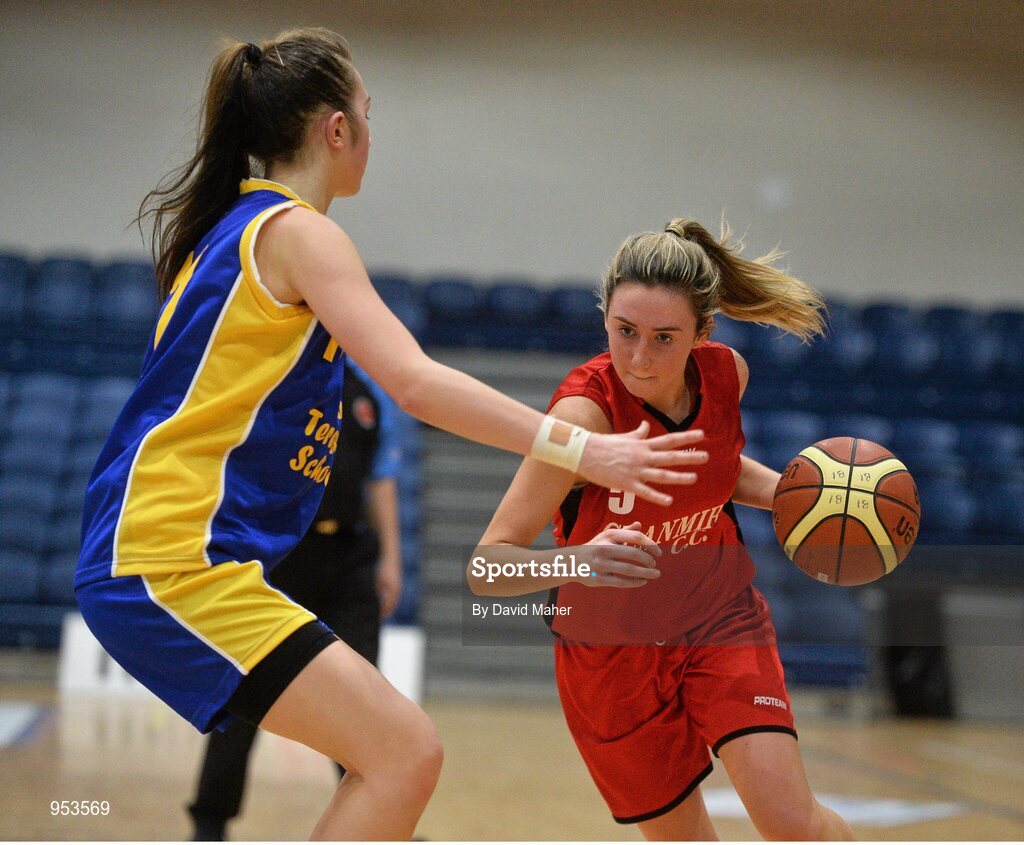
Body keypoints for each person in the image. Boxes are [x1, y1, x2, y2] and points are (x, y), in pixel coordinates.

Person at [73, 28, 707, 841]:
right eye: (369, 114)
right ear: (336, 129)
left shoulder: (232, 232)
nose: (375, 134)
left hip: (173, 557)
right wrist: (588, 447)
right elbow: (414, 382)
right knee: (405, 753)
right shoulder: (299, 233)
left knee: (399, 759)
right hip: (169, 558)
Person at [468, 218, 855, 840]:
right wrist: (579, 562)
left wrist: (799, 496)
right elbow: (487, 566)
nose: (641, 358)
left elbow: (711, 468)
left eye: (664, 338)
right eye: (624, 332)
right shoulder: (583, 418)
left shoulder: (727, 374)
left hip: (717, 617)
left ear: (703, 332)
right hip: (608, 655)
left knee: (790, 824)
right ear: (605, 321)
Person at [187, 357, 403, 841]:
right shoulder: (278, 375)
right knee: (242, 699)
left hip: (348, 559)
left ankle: (379, 824)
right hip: (278, 557)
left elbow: (382, 477)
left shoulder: (370, 394)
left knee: (361, 702)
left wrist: (392, 558)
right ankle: (209, 824)